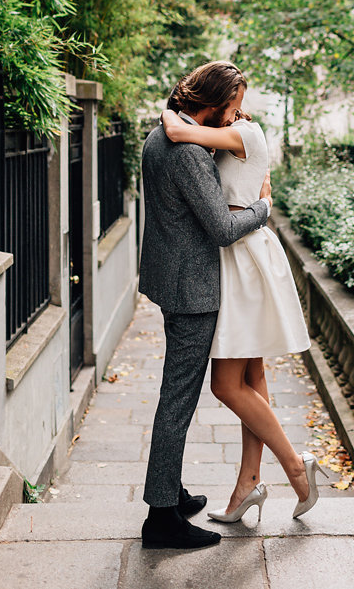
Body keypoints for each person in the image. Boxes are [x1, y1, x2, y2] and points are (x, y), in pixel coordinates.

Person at [161, 98, 326, 525]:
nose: (235, 108)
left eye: (236, 102)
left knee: (225, 386)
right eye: (231, 102)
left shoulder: (245, 134)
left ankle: (294, 466)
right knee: (253, 378)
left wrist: (168, 112)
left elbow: (178, 130)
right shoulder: (227, 136)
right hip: (232, 257)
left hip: (244, 256)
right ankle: (247, 485)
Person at [138, 61, 272, 551]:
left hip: (171, 278)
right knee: (178, 400)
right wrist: (262, 209)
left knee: (176, 395)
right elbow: (221, 228)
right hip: (192, 291)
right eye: (232, 109)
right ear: (213, 104)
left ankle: (169, 492)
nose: (236, 118)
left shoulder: (161, 135)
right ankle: (161, 519)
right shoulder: (188, 153)